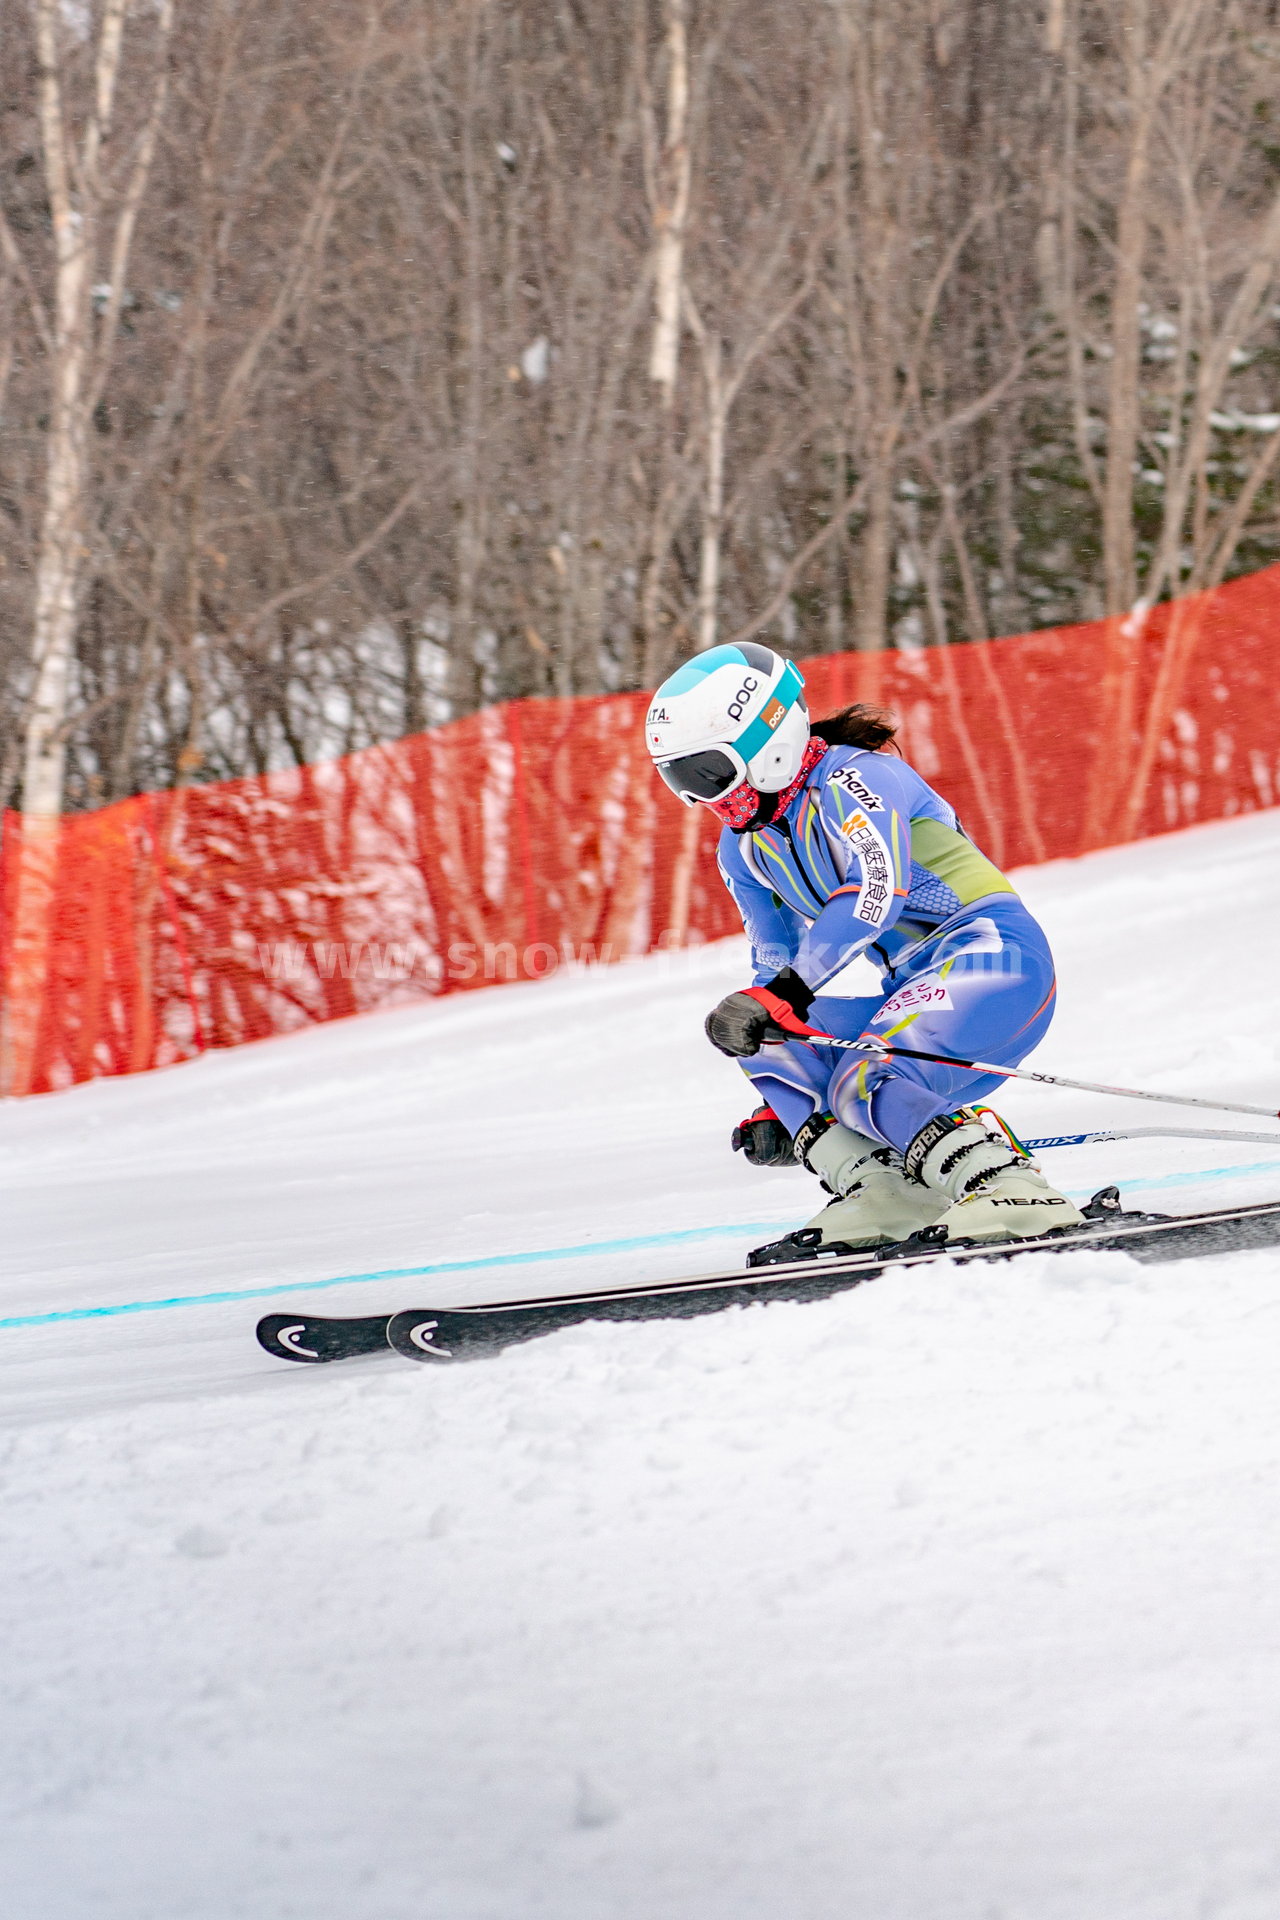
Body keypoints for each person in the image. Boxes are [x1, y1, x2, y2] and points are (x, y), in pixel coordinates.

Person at [644, 641, 1083, 1249]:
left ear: (765, 741)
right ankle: (883, 1191)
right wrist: (796, 1101)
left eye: (707, 774)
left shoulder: (857, 778)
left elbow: (878, 891)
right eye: (680, 782)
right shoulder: (742, 848)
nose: (702, 799)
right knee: (761, 1034)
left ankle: (1010, 1186)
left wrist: (786, 994)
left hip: (993, 957)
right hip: (912, 986)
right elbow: (772, 959)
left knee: (866, 1072)